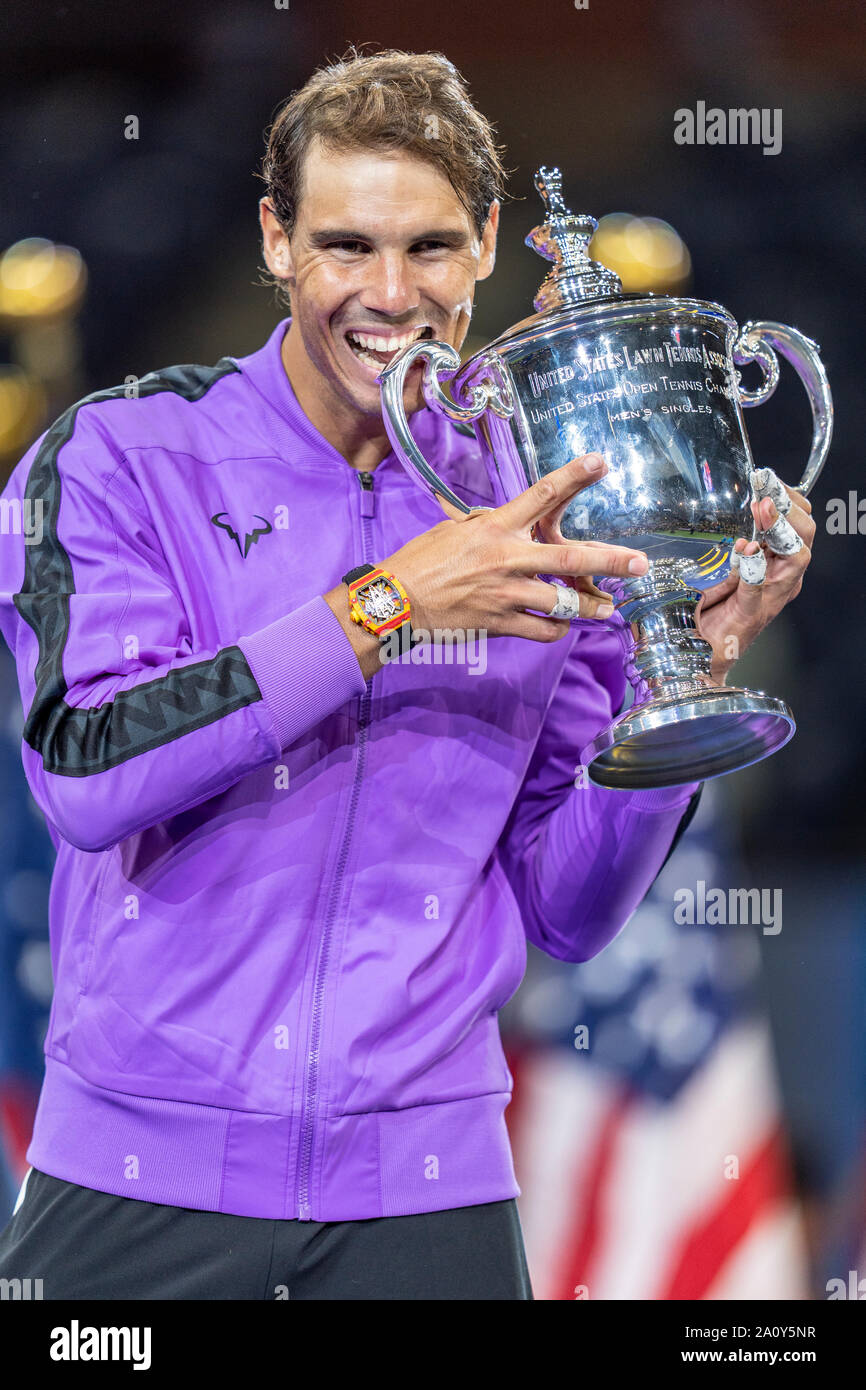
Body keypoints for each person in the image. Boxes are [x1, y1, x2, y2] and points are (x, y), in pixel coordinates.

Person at [0, 48, 814, 1300]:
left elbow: (569, 908)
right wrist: (385, 606)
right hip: (132, 1185)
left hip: (426, 1198)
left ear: (488, 241)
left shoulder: (546, 494)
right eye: (344, 244)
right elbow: (88, 773)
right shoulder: (119, 454)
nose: (388, 294)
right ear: (275, 240)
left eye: (430, 247)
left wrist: (683, 664)